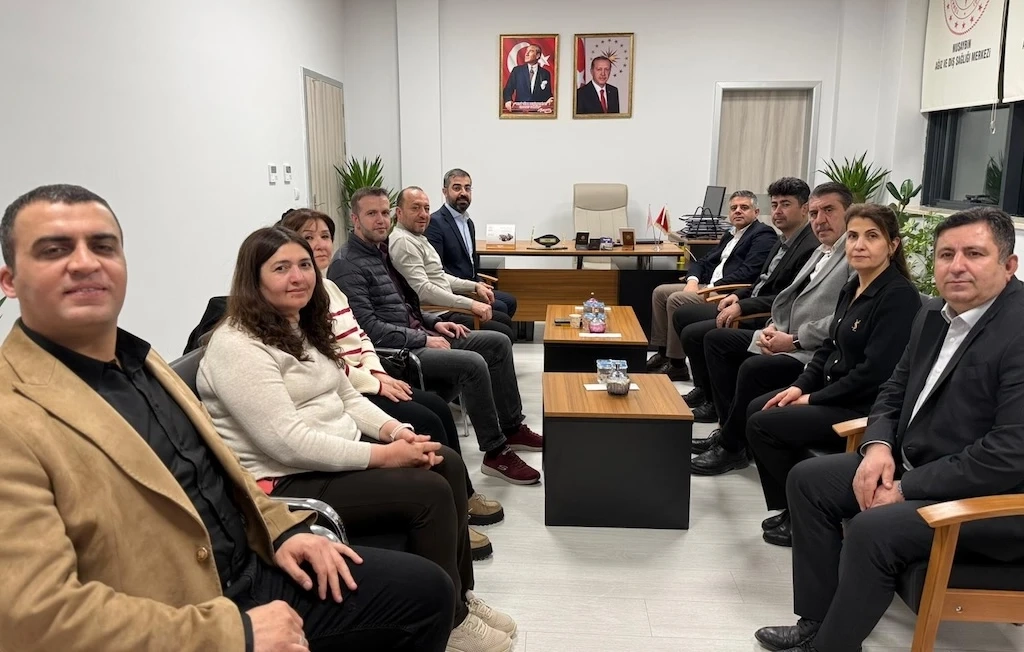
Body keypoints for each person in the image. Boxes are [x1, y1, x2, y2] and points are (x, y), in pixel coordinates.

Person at [0, 184, 454, 652]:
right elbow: (31, 619)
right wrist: (234, 632)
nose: (85, 263)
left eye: (103, 246)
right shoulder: (12, 415)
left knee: (427, 592)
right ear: (9, 281)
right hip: (183, 607)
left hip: (251, 559)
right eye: (54, 250)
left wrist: (281, 530)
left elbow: (219, 470)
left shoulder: (140, 361)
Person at [198, 225, 517, 652]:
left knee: (447, 462)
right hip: (284, 481)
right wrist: (384, 457)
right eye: (281, 268)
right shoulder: (236, 346)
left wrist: (397, 433)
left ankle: (459, 595)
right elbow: (287, 442)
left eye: (304, 265)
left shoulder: (298, 326)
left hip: (332, 461)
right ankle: (451, 625)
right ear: (253, 280)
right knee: (429, 492)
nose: (299, 276)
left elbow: (348, 396)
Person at [755, 206, 1024, 652]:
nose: (957, 266)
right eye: (946, 255)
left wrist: (905, 488)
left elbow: (1009, 453)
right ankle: (816, 621)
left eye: (974, 254)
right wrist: (878, 446)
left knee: (870, 529)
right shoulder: (933, 314)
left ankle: (832, 647)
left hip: (989, 501)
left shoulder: (1018, 330)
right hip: (915, 463)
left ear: (1008, 264)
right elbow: (894, 390)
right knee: (808, 481)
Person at [280, 210, 505, 547]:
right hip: (353, 388)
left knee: (438, 409)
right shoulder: (317, 287)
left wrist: (378, 369)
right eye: (308, 238)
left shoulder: (334, 286)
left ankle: (462, 499)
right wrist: (374, 381)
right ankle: (456, 510)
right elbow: (328, 362)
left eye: (324, 236)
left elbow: (362, 335)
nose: (319, 244)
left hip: (372, 370)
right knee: (430, 415)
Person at [329, 187, 542, 486]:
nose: (381, 220)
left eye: (384, 213)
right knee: (473, 364)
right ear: (355, 219)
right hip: (397, 352)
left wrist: (434, 323)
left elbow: (406, 305)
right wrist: (423, 338)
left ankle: (512, 427)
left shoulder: (381, 252)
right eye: (371, 214)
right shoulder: (347, 264)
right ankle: (495, 452)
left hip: (419, 332)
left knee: (498, 342)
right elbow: (369, 328)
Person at [744, 204, 921, 547]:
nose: (859, 245)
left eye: (872, 236)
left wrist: (813, 398)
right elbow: (828, 347)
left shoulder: (898, 296)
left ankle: (806, 514)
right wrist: (799, 387)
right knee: (758, 408)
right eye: (853, 236)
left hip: (860, 408)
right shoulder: (853, 286)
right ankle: (794, 508)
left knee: (764, 424)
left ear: (893, 245)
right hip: (832, 394)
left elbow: (873, 374)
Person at [691, 182, 854, 475]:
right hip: (782, 331)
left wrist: (792, 339)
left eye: (829, 211)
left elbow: (845, 318)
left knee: (753, 368)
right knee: (717, 341)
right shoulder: (822, 250)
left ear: (849, 213)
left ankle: (732, 447)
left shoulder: (852, 256)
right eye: (816, 213)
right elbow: (787, 297)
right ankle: (729, 429)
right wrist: (773, 325)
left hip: (810, 349)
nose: (820, 220)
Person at [674, 177, 817, 416]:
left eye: (785, 204)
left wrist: (743, 305)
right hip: (750, 302)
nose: (778, 211)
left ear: (804, 209)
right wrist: (739, 296)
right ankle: (705, 389)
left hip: (767, 317)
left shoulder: (808, 246)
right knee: (684, 316)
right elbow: (760, 280)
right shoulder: (783, 239)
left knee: (700, 335)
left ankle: (717, 407)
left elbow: (786, 298)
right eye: (775, 205)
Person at [645, 190, 777, 381]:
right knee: (660, 292)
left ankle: (677, 364)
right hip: (708, 286)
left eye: (744, 207)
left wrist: (710, 287)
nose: (738, 211)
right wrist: (693, 280)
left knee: (676, 299)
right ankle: (663, 352)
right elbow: (703, 261)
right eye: (734, 208)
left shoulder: (762, 235)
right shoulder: (730, 234)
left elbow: (749, 272)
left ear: (756, 212)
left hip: (727, 292)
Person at [389, 187, 514, 341]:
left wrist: (474, 286)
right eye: (415, 208)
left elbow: (439, 275)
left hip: (445, 306)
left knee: (504, 320)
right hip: (437, 313)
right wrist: (470, 304)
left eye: (426, 209)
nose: (423, 214)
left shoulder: (417, 237)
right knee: (503, 332)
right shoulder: (403, 241)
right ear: (399, 212)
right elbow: (422, 291)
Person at [426, 168, 518, 320]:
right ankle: (487, 333)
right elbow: (437, 269)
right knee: (500, 308)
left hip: (473, 285)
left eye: (467, 188)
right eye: (457, 188)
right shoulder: (435, 223)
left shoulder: (468, 223)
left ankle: (492, 331)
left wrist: (479, 283)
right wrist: (470, 288)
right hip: (454, 290)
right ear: (445, 191)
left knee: (510, 301)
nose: (463, 193)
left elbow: (471, 263)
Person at [502, 43, 554, 111]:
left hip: (538, 112)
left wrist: (551, 100)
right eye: (526, 51)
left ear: (538, 56)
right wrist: (508, 101)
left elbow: (547, 94)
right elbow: (508, 89)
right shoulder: (517, 71)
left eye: (531, 51)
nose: (526, 54)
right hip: (520, 111)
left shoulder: (545, 73)